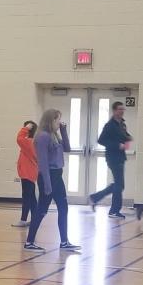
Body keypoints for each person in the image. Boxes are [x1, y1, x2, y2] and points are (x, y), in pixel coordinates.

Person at [24, 110, 80, 252]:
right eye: (57, 120)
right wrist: (47, 185)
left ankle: (64, 242)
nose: (59, 122)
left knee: (63, 207)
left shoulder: (54, 135)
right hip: (47, 176)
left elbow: (67, 148)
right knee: (42, 210)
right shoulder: (43, 136)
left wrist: (63, 131)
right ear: (51, 120)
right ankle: (29, 242)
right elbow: (43, 163)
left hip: (57, 176)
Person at [88, 101, 132, 219]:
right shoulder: (109, 125)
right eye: (119, 109)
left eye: (123, 109)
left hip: (121, 157)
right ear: (114, 111)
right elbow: (101, 140)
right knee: (119, 185)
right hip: (113, 157)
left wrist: (128, 138)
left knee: (119, 185)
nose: (122, 111)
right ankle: (114, 210)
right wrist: (117, 145)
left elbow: (124, 135)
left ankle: (95, 197)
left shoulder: (122, 124)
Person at [13, 121, 39, 228]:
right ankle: (35, 219)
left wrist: (25, 128)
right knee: (32, 198)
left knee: (26, 197)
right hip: (30, 173)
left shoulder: (28, 142)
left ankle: (23, 220)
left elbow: (19, 139)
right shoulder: (33, 142)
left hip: (27, 173)